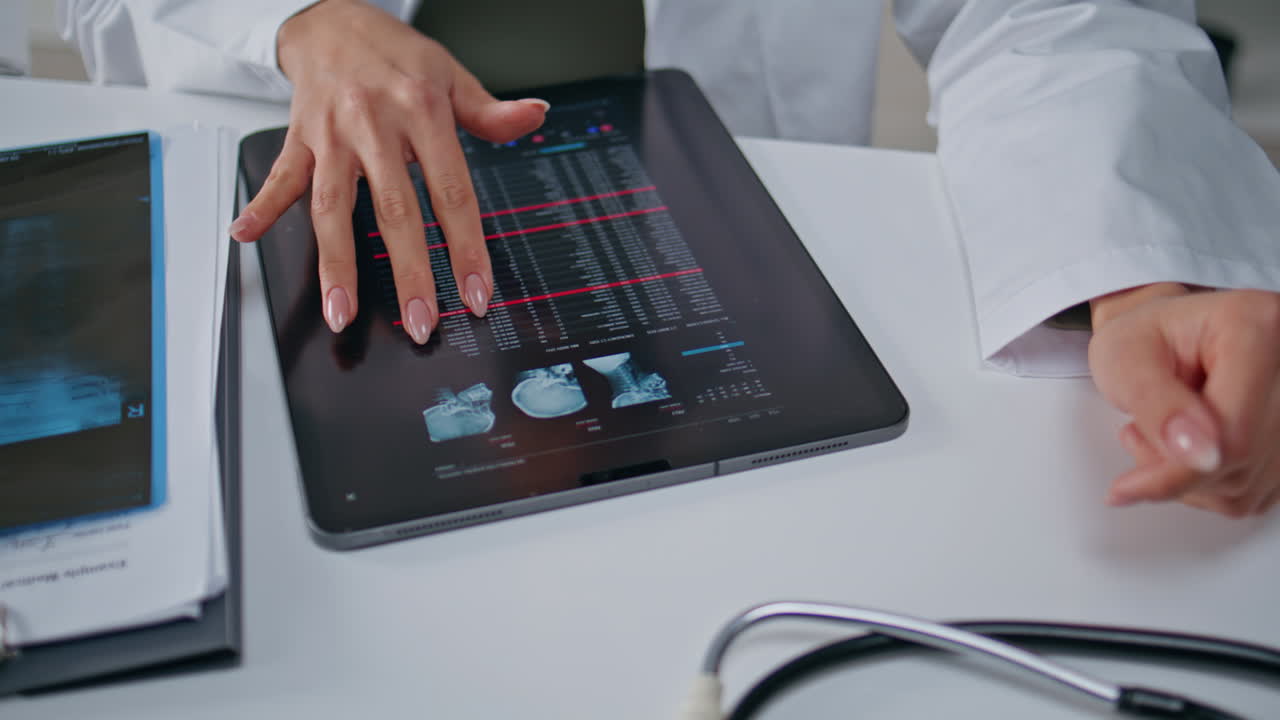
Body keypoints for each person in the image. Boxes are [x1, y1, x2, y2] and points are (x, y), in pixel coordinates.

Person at [58, 0, 1280, 516]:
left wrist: (1136, 269)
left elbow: (1039, 12)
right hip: (274, 248)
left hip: (747, 280)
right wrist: (292, 21)